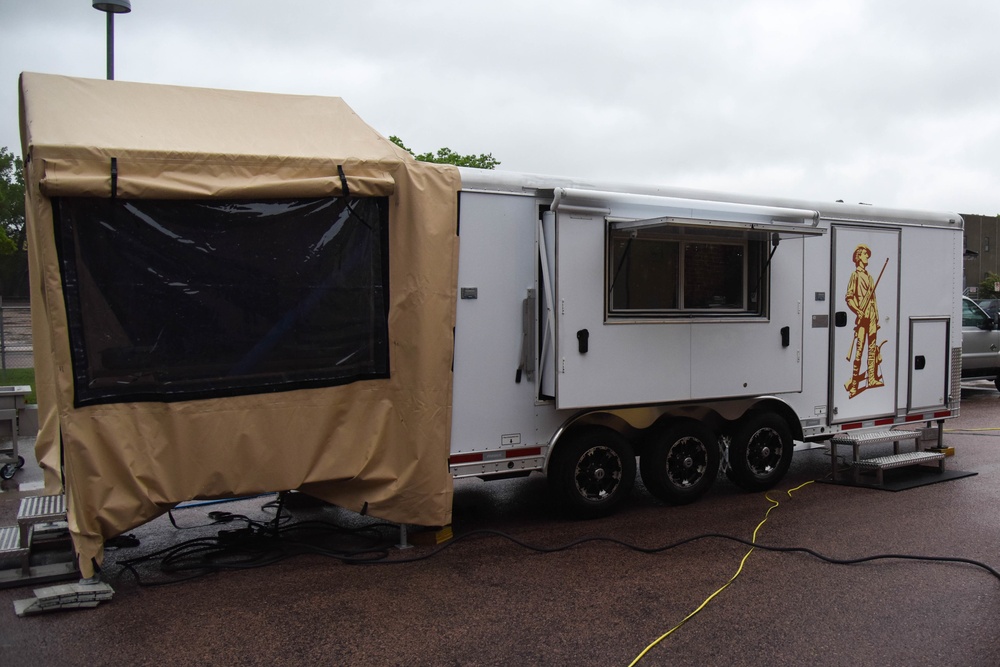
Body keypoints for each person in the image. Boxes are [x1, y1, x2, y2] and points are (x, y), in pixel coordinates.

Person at [844, 244, 885, 397]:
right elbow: (849, 298)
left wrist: (877, 317)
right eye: (865, 254)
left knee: (872, 349)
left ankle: (872, 379)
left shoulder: (870, 277)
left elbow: (874, 299)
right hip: (862, 316)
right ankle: (854, 385)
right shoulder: (855, 276)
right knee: (859, 351)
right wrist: (858, 311)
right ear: (858, 256)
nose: (867, 256)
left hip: (872, 316)